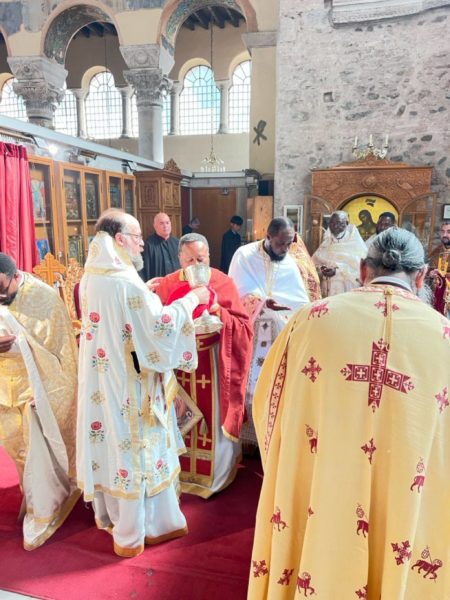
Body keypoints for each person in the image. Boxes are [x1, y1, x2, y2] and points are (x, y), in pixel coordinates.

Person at [248, 227, 450, 599]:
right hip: (407, 491)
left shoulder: (311, 320)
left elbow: (267, 407)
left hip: (324, 482)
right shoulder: (444, 336)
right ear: (421, 276)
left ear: (362, 269)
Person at [76, 210, 209, 557]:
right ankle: (142, 528)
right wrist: (192, 300)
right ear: (120, 239)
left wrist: (145, 292)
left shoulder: (93, 276)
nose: (141, 245)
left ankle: (117, 518)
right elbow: (159, 326)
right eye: (136, 238)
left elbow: (121, 314)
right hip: (131, 387)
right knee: (136, 450)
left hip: (104, 383)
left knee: (113, 445)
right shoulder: (124, 281)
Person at [155, 233, 253, 498]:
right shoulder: (167, 284)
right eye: (189, 260)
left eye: (200, 259)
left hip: (214, 362)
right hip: (179, 367)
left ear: (208, 256)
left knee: (213, 418)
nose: (195, 265)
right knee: (179, 417)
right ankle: (180, 472)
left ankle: (217, 474)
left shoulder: (223, 281)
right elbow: (157, 326)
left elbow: (244, 326)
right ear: (179, 258)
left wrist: (219, 310)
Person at [0, 252, 79, 550]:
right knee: (18, 452)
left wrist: (43, 389)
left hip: (35, 389)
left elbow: (61, 354)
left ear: (15, 276)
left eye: (1, 289)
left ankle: (43, 509)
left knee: (37, 455)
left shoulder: (44, 299)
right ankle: (31, 497)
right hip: (3, 390)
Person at [228, 217, 311, 447]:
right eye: (280, 244)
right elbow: (236, 292)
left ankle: (270, 439)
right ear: (268, 237)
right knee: (250, 385)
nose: (285, 249)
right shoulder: (244, 256)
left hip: (278, 335)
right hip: (252, 332)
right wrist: (262, 303)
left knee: (275, 385)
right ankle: (248, 439)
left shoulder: (289, 262)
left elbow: (299, 300)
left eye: (289, 244)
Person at [312, 210, 367, 297]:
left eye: (338, 222)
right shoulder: (327, 242)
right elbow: (314, 263)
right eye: (332, 223)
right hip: (327, 289)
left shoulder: (355, 243)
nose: (334, 226)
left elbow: (361, 269)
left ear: (346, 223)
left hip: (347, 290)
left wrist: (338, 271)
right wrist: (321, 269)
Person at [140, 212, 180, 281]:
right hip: (159, 284)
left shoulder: (177, 243)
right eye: (161, 223)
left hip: (177, 283)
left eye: (167, 223)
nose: (165, 226)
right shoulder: (149, 245)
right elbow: (146, 270)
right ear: (155, 226)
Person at [428, 220, 450, 317]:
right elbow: (428, 270)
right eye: (442, 231)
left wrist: (444, 275)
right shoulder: (436, 251)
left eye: (448, 232)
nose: (445, 235)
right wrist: (431, 274)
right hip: (437, 297)